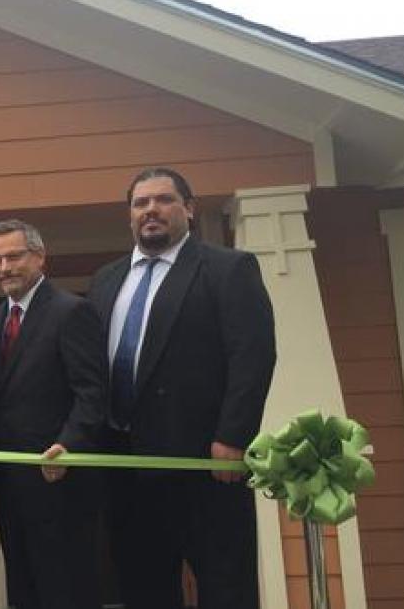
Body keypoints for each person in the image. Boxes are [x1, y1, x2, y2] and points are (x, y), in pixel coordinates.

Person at [87, 167, 275, 609]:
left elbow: (253, 356)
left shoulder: (228, 269)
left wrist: (233, 437)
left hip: (204, 465)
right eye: (140, 203)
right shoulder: (105, 280)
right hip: (124, 466)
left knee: (225, 588)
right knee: (144, 587)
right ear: (129, 216)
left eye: (164, 200)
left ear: (188, 209)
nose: (151, 210)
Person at [0, 219, 105, 609]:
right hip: (11, 482)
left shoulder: (72, 312)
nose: (4, 268)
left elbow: (92, 392)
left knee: (65, 588)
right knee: (24, 587)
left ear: (39, 257)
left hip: (61, 481)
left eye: (14, 256)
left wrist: (68, 444)